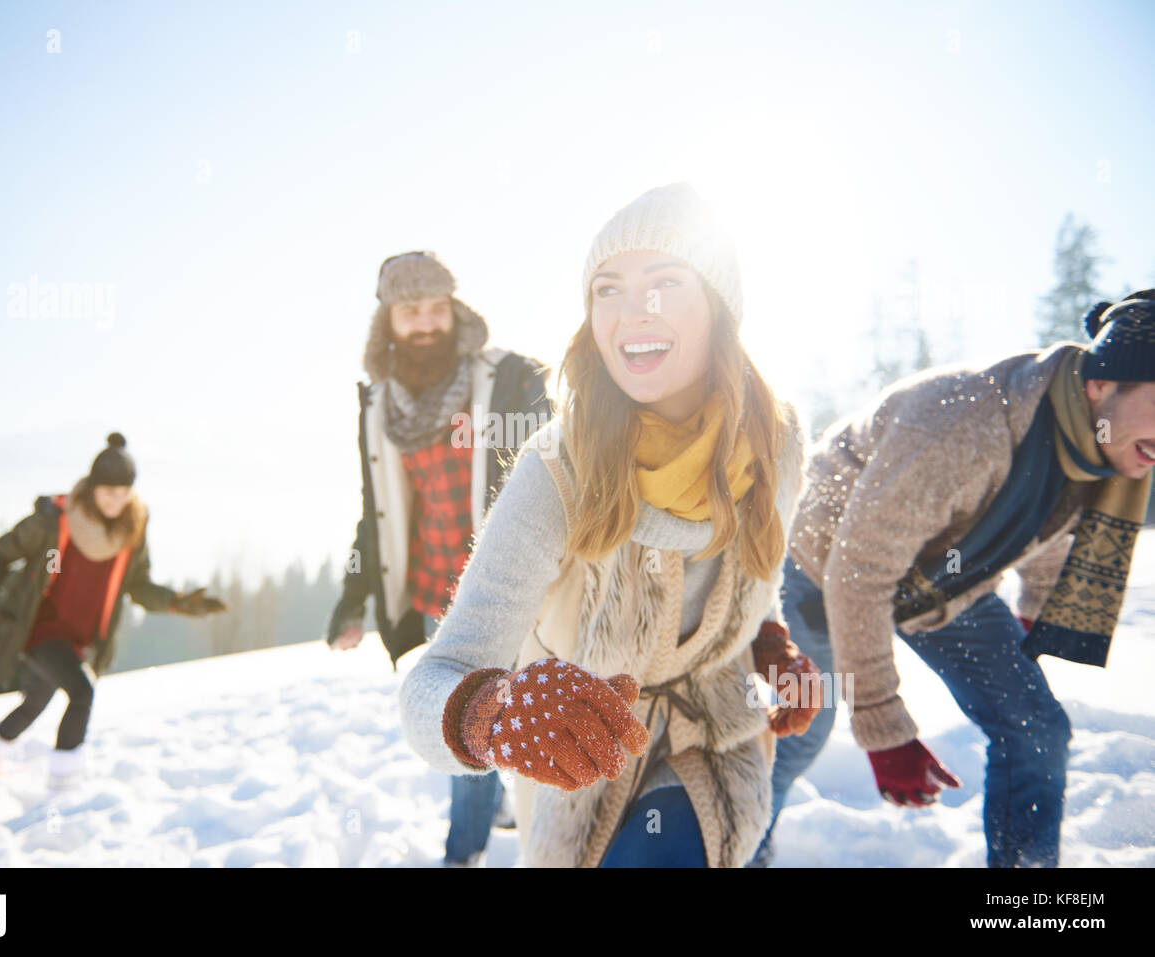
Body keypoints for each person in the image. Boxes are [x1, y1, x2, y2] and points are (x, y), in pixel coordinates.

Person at [399, 184, 821, 867]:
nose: (633, 313)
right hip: (581, 761)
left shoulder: (779, 444)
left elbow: (754, 574)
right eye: (608, 288)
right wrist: (494, 713)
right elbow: (433, 678)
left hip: (713, 739)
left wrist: (767, 637)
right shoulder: (556, 470)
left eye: (665, 282)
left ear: (719, 304)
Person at [751, 291, 1155, 868]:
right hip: (820, 574)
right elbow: (858, 576)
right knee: (803, 728)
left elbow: (1048, 522)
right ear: (1102, 383)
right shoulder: (963, 425)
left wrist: (1033, 613)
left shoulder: (1096, 449)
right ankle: (739, 848)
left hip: (947, 580)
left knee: (1036, 727)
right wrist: (885, 726)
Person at [324, 251, 551, 866]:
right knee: (470, 710)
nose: (425, 322)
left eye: (435, 307)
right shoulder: (380, 405)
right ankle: (493, 806)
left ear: (453, 308)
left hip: (506, 586)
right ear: (387, 322)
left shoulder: (510, 379)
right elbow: (376, 515)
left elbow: (558, 476)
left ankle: (462, 853)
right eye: (409, 310)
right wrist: (352, 598)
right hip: (430, 589)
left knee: (470, 711)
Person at [0, 433, 226, 789]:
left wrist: (179, 602)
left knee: (37, 700)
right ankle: (63, 785)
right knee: (81, 693)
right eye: (107, 491)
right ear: (92, 487)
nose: (115, 500)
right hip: (39, 628)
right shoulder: (54, 521)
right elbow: (0, 553)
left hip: (79, 636)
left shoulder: (133, 529)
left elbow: (138, 585)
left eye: (123, 492)